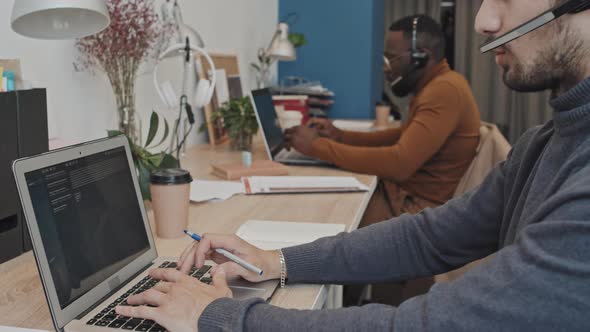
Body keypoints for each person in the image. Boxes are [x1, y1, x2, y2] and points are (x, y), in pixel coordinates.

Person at [116, 0, 590, 330]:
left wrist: (217, 317)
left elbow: (422, 325)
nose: (484, 20)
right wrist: (275, 261)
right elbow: (429, 236)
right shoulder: (548, 140)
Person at [285, 15, 481, 226]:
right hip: (402, 196)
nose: (386, 67)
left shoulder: (444, 90)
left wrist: (317, 146)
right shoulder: (438, 85)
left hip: (414, 210)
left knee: (319, 210)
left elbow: (400, 163)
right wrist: (340, 136)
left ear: (421, 56)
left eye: (392, 58)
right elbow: (402, 136)